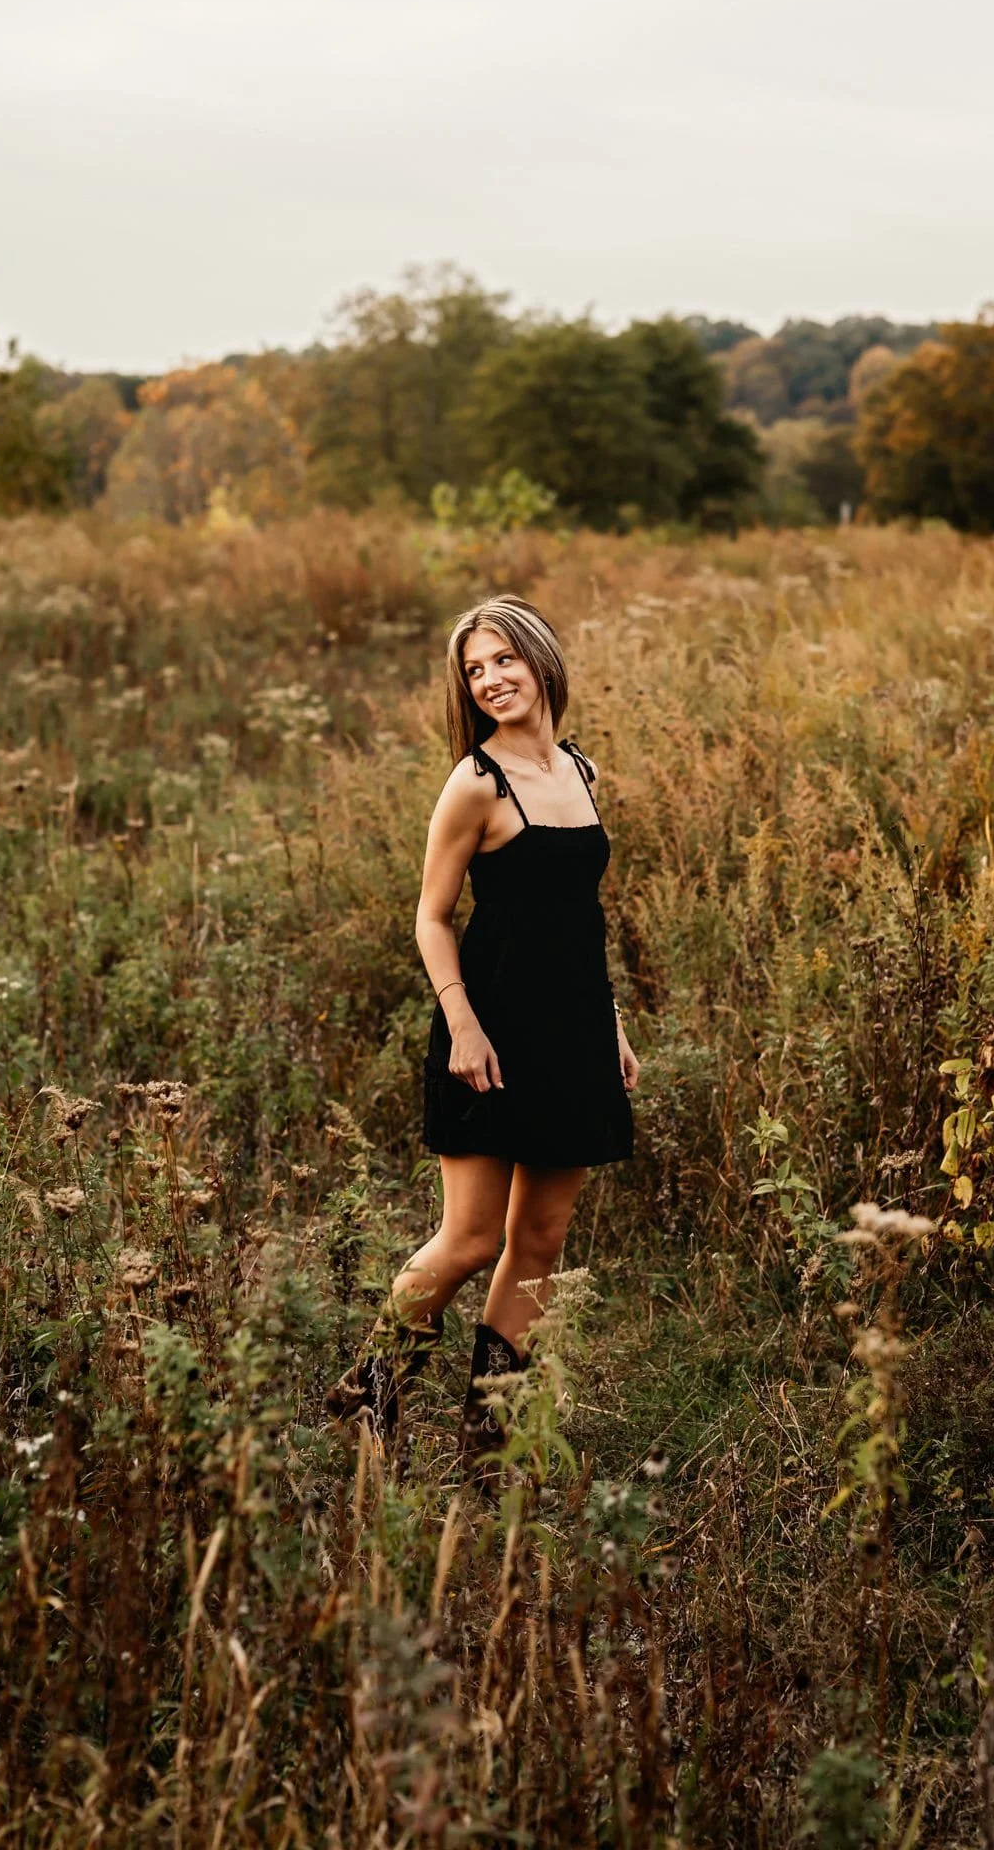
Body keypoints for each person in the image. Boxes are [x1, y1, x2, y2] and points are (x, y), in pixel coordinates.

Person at [327, 593, 638, 1483]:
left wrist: (609, 1022)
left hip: (573, 1031)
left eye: (503, 659)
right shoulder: (475, 782)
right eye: (474, 669)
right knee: (468, 1241)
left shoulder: (580, 771)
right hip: (489, 1033)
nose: (491, 679)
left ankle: (489, 1445)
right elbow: (431, 918)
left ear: (541, 662)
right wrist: (462, 1027)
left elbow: (579, 919)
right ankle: (369, 1395)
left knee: (539, 1241)